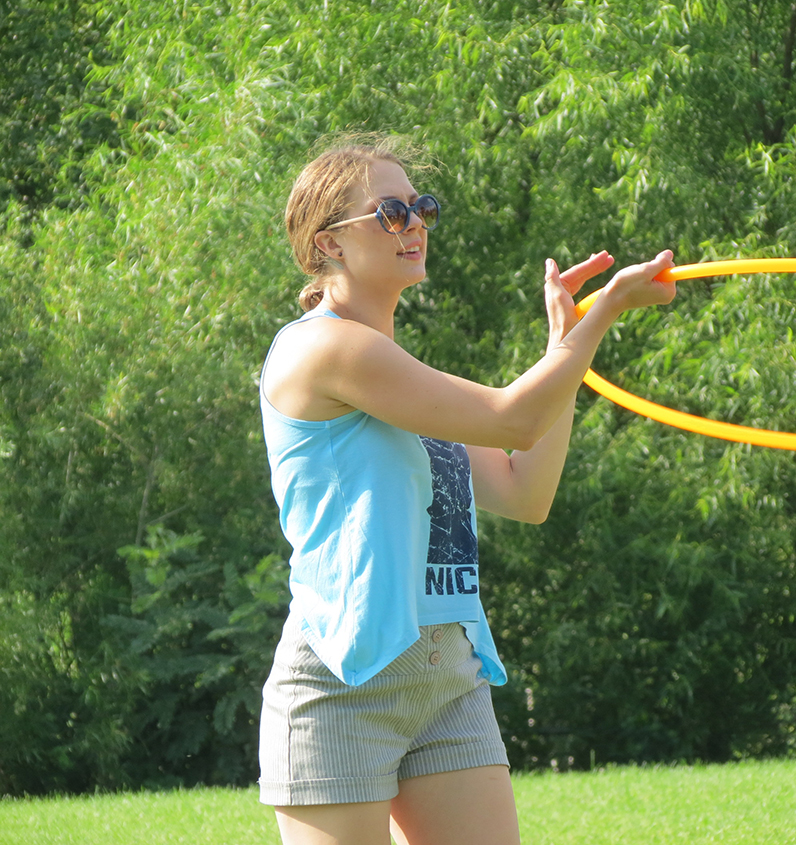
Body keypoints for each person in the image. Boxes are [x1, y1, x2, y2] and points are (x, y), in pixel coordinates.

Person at [257, 132, 676, 845]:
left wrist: (565, 343)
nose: (415, 222)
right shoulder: (323, 348)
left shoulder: (406, 378)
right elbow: (516, 415)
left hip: (447, 675)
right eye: (391, 212)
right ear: (328, 244)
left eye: (420, 206)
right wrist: (604, 312)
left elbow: (524, 490)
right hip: (340, 682)